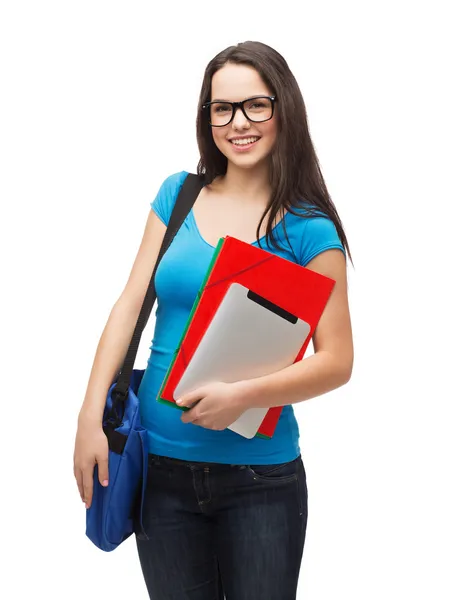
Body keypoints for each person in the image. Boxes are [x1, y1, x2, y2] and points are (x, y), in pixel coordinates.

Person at [73, 40, 354, 600]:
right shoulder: (178, 195)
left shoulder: (308, 227)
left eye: (256, 105)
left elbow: (338, 361)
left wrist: (242, 395)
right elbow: (129, 304)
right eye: (221, 108)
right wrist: (87, 414)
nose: (238, 122)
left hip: (261, 481)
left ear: (284, 110)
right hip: (159, 471)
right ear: (207, 118)